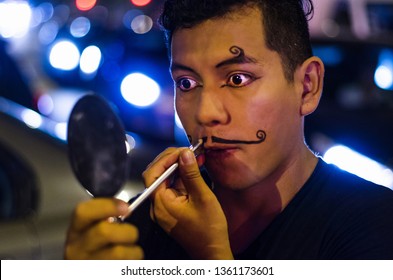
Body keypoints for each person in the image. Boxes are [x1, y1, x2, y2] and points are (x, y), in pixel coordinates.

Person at [64, 0, 393, 260]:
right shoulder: (148, 224)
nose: (205, 113)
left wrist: (212, 258)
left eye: (237, 79)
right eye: (187, 83)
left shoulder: (373, 226)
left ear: (307, 86)